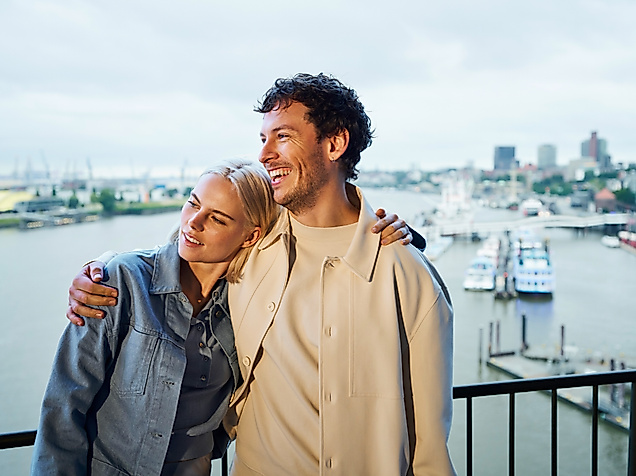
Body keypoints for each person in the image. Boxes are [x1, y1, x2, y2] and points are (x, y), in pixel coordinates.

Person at [67, 73, 455, 475]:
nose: (265, 154)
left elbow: (429, 446)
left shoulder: (407, 275)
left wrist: (412, 239)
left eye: (282, 137)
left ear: (335, 144)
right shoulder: (253, 243)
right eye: (263, 138)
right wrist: (101, 271)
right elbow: (177, 251)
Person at [32, 161, 280, 475]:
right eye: (193, 203)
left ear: (249, 236)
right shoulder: (121, 281)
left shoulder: (247, 306)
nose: (193, 222)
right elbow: (63, 407)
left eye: (217, 218)